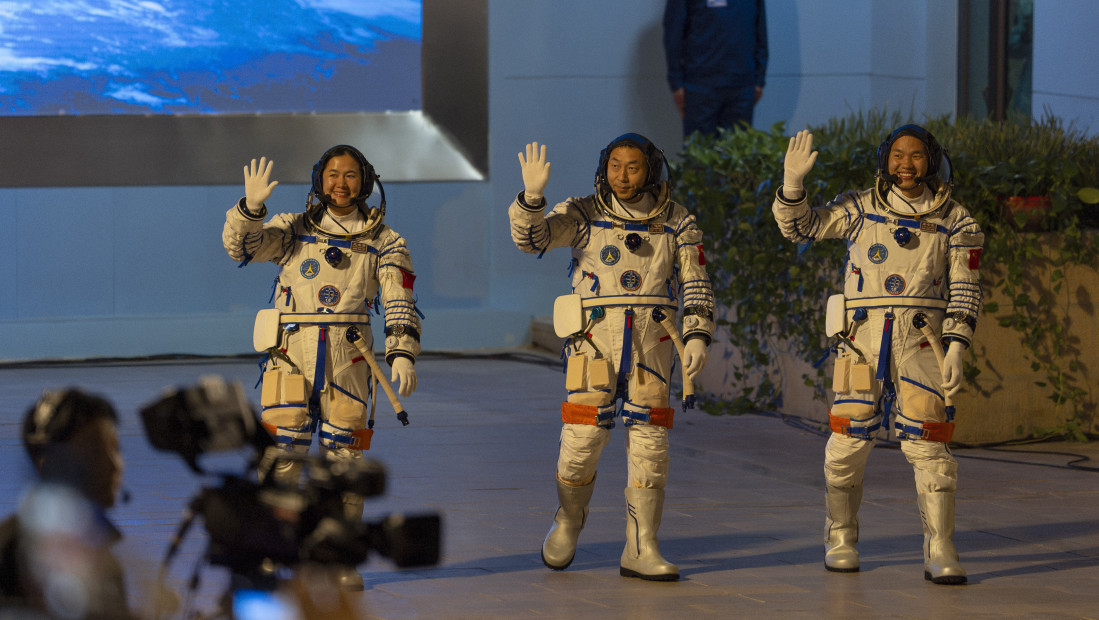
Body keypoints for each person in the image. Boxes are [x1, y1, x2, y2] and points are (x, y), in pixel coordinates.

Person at [773, 125, 984, 585]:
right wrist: (792, 184)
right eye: (897, 155)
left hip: (922, 342)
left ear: (933, 160)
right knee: (847, 442)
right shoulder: (859, 208)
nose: (905, 164)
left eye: (916, 155)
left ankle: (940, 548)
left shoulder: (956, 220)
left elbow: (966, 289)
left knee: (929, 445)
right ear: (885, 159)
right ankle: (840, 538)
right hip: (862, 341)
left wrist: (957, 345)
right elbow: (801, 227)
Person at [509, 134, 715, 581]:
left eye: (633, 167)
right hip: (593, 344)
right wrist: (532, 198)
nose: (622, 176)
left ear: (651, 170)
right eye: (615, 166)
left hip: (651, 346)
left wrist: (698, 334)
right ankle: (569, 519)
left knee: (650, 447)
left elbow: (696, 280)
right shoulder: (583, 213)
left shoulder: (677, 221)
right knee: (580, 445)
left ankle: (642, 546)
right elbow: (532, 239)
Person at [222, 145, 422, 589]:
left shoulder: (385, 241)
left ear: (365, 180)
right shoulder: (292, 229)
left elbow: (399, 297)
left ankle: (340, 556)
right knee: (281, 458)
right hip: (291, 356)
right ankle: (272, 550)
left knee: (345, 463)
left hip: (347, 362)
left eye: (350, 175)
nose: (340, 183)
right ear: (319, 178)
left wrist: (402, 352)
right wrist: (250, 210)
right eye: (333, 174)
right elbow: (242, 248)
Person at [0, 388, 132, 618]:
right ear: (49, 464)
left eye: (116, 449)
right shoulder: (9, 556)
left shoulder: (106, 561)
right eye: (96, 452)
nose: (114, 465)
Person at [663, 0, 768, 137]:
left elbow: (760, 30)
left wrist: (759, 79)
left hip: (741, 86)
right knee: (699, 149)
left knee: (739, 148)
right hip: (700, 88)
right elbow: (673, 33)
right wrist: (676, 83)